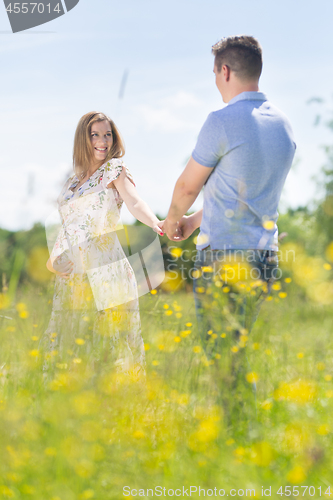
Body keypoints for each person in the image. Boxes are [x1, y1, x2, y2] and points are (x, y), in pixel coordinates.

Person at [159, 35, 296, 426]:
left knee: (221, 352)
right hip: (264, 256)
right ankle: (243, 432)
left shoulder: (221, 120)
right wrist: (194, 222)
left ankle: (240, 435)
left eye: (215, 73)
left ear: (225, 70)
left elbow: (188, 186)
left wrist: (172, 222)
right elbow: (241, 191)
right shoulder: (282, 124)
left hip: (223, 259)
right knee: (235, 349)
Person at [41, 112, 163, 380]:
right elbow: (66, 227)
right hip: (73, 277)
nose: (102, 141)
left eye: (107, 134)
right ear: (83, 140)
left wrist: (155, 222)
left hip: (106, 271)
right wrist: (53, 260)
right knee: (71, 343)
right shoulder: (72, 182)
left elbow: (134, 201)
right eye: (95, 134)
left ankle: (117, 412)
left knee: (110, 346)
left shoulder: (115, 169)